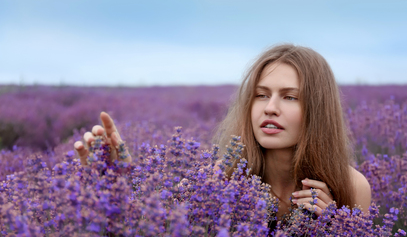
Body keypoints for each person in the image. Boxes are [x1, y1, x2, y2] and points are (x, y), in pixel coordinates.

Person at [74, 43, 371, 219]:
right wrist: (118, 180)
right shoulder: (219, 177)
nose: (270, 108)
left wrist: (336, 227)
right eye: (261, 94)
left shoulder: (350, 186)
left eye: (290, 97)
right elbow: (147, 233)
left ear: (317, 110)